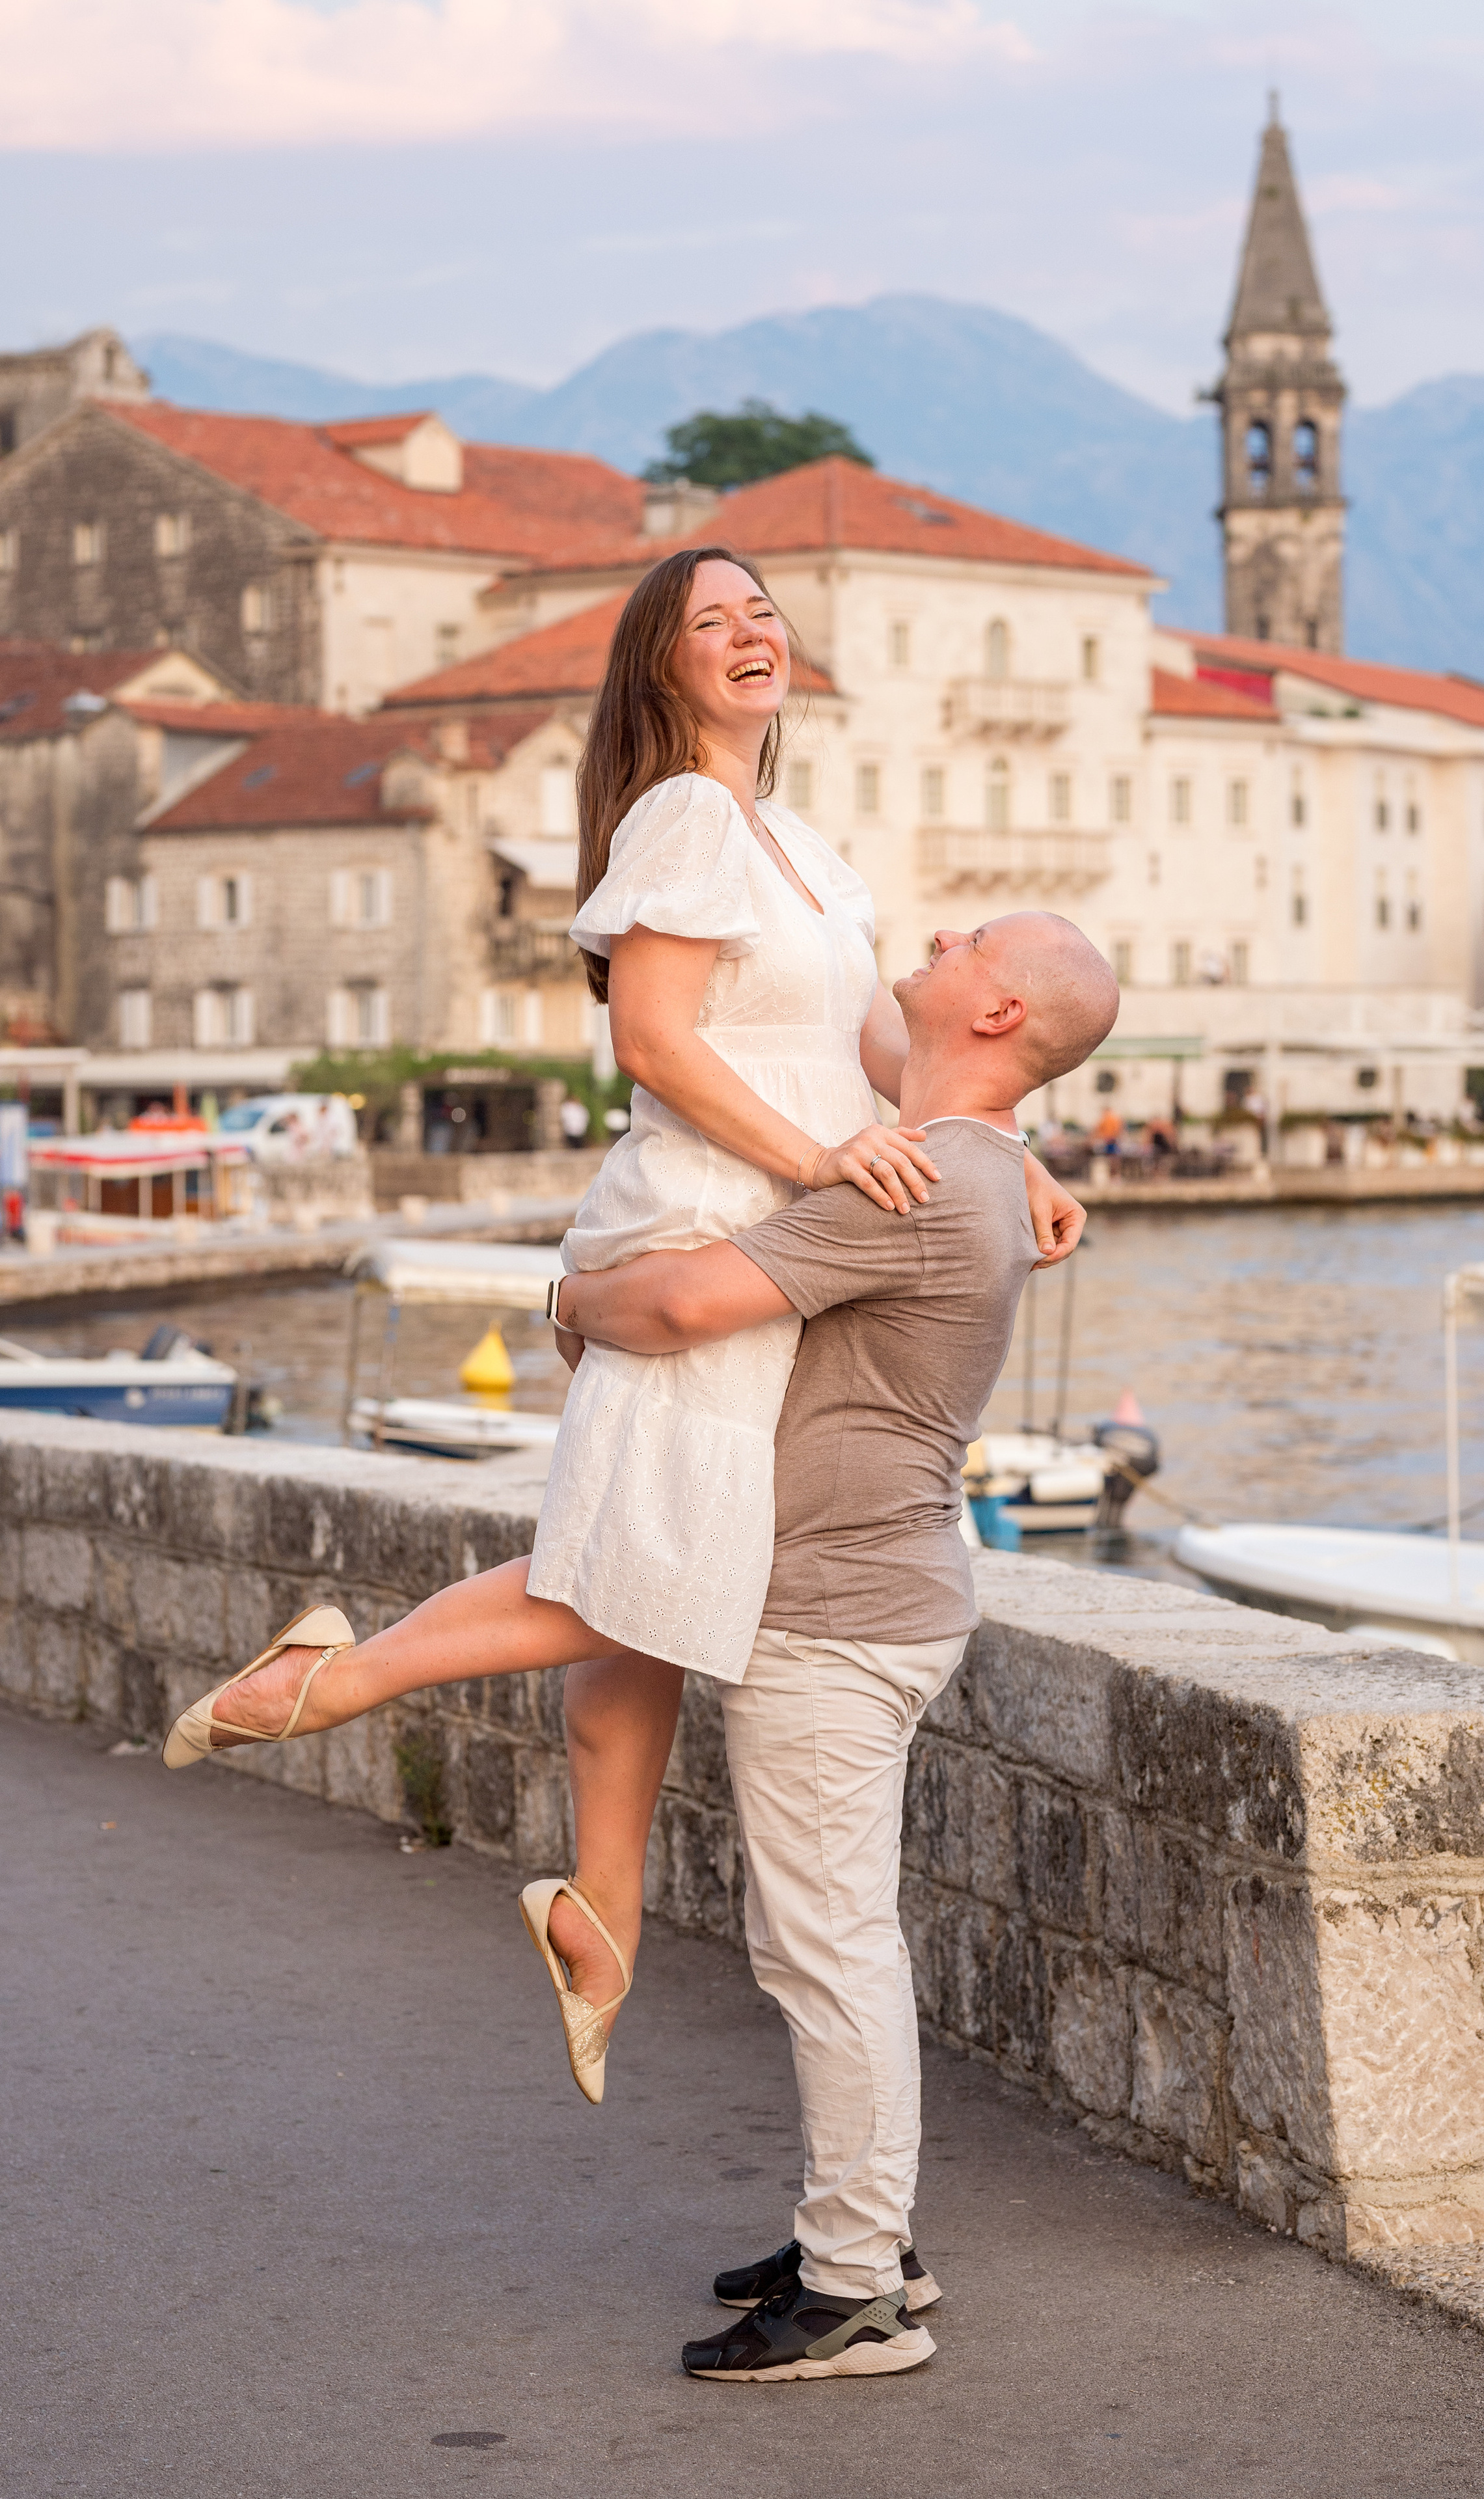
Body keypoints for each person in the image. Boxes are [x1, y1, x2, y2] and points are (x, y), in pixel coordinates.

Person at [163, 547, 1086, 2103]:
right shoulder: (681, 815)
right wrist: (815, 1165)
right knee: (653, 1565)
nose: (748, 633)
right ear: (660, 670)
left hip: (781, 1223)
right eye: (708, 620)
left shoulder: (797, 845)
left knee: (656, 1564)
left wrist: (1017, 1150)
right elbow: (652, 1040)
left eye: (762, 612)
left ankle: (598, 1901)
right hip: (708, 1222)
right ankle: (338, 1679)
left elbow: (881, 1042)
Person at [167, 907, 1120, 2382]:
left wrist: (565, 1295)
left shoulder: (921, 1180)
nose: (935, 935)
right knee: (818, 1934)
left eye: (971, 938)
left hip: (839, 1614)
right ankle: (851, 2237)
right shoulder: (953, 1163)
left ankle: (860, 2286)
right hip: (860, 1595)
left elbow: (679, 1300)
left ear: (997, 1016)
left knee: (825, 1950)